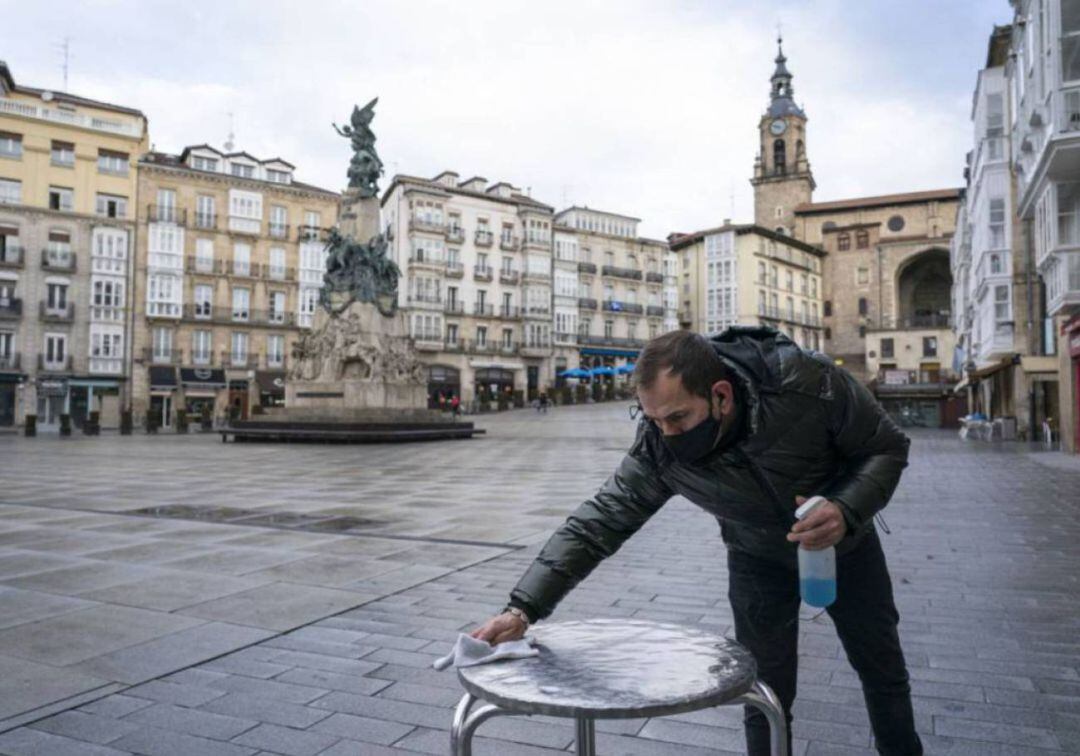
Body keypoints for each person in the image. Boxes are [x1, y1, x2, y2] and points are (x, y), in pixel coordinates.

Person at [471, 327, 922, 756]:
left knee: (881, 668)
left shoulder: (805, 382)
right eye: (653, 419)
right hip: (755, 557)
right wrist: (522, 609)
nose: (667, 434)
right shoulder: (659, 448)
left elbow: (886, 446)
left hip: (845, 547)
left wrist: (845, 509)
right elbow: (598, 522)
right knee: (764, 690)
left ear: (721, 395)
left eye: (678, 417)